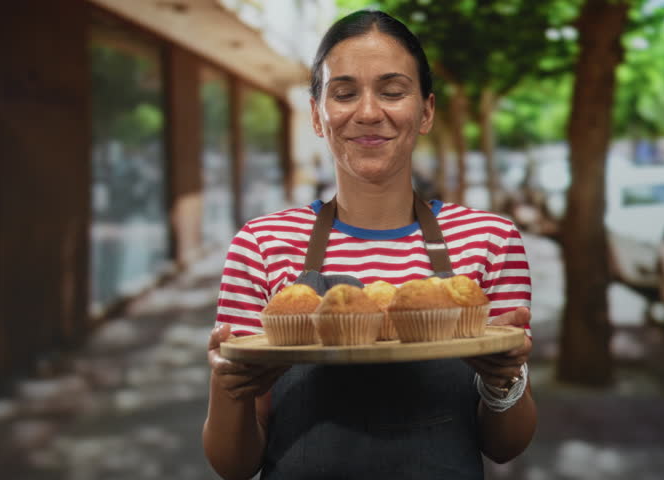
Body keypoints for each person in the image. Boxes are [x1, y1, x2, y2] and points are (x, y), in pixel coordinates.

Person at [203, 10, 536, 479]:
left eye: (393, 91)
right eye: (343, 93)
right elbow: (233, 465)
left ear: (426, 111)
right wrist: (226, 387)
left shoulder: (490, 240)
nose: (367, 112)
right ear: (318, 115)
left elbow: (505, 446)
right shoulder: (262, 244)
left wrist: (503, 380)